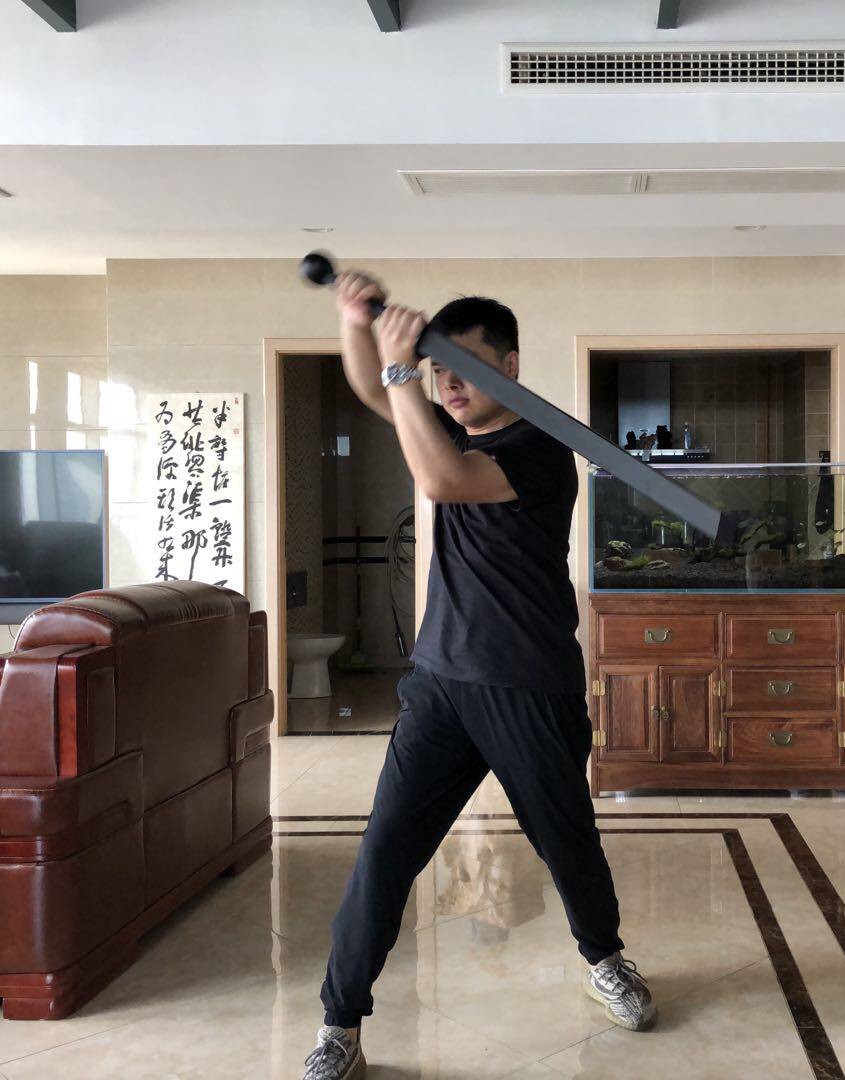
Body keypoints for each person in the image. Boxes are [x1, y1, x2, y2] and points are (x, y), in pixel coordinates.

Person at [301, 274, 656, 1080]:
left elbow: (442, 481)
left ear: (512, 365)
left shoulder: (539, 448)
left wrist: (403, 371)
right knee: (384, 855)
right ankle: (339, 1025)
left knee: (567, 844)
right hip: (439, 686)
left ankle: (605, 960)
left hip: (531, 685)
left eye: (465, 369)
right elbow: (376, 391)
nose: (450, 386)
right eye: (440, 372)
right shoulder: (444, 426)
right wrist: (355, 323)